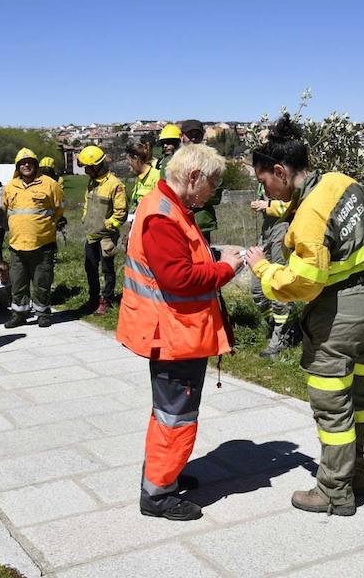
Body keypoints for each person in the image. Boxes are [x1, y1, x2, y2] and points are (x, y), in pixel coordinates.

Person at [245, 114, 364, 517]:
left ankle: (334, 492)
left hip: (341, 312)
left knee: (331, 404)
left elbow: (306, 282)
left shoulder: (309, 213)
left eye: (264, 181)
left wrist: (262, 269)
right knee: (363, 393)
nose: (264, 188)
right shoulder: (342, 182)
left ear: (280, 171)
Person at [117, 144, 242, 521]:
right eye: (213, 182)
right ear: (193, 178)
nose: (215, 189)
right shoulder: (163, 216)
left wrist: (216, 255)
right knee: (176, 416)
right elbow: (180, 278)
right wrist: (226, 270)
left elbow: (183, 261)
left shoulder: (169, 207)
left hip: (177, 332)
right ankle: (158, 496)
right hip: (173, 336)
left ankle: (164, 477)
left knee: (171, 413)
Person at [1, 148, 64, 328]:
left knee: (42, 282)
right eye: (22, 163)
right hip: (17, 244)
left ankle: (42, 313)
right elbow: (5, 210)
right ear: (17, 166)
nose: (26, 165)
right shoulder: (10, 186)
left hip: (43, 244)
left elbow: (60, 209)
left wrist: (45, 226)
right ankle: (19, 314)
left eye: (29, 162)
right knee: (18, 283)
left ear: (36, 165)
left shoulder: (50, 184)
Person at [250, 183, 300, 357]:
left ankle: (281, 338)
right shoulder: (263, 177)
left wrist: (268, 206)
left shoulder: (286, 174)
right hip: (266, 231)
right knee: (257, 289)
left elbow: (296, 204)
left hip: (283, 231)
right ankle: (276, 326)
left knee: (279, 287)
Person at [79, 145, 127, 315]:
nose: (85, 170)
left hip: (106, 236)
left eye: (87, 167)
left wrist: (108, 226)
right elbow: (87, 203)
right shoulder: (92, 182)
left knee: (107, 269)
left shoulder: (115, 184)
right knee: (90, 267)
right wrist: (86, 218)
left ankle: (106, 300)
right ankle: (93, 299)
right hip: (91, 234)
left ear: (96, 166)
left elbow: (121, 213)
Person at [181, 120, 222, 243]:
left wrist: (191, 200)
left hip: (201, 223)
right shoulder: (173, 162)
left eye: (197, 134)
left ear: (202, 136)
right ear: (182, 136)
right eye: (189, 134)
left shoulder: (212, 161)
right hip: (178, 221)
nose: (193, 138)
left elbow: (216, 192)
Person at [126, 140, 161, 213]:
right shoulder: (139, 178)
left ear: (135, 158)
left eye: (130, 164)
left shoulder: (156, 176)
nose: (129, 168)